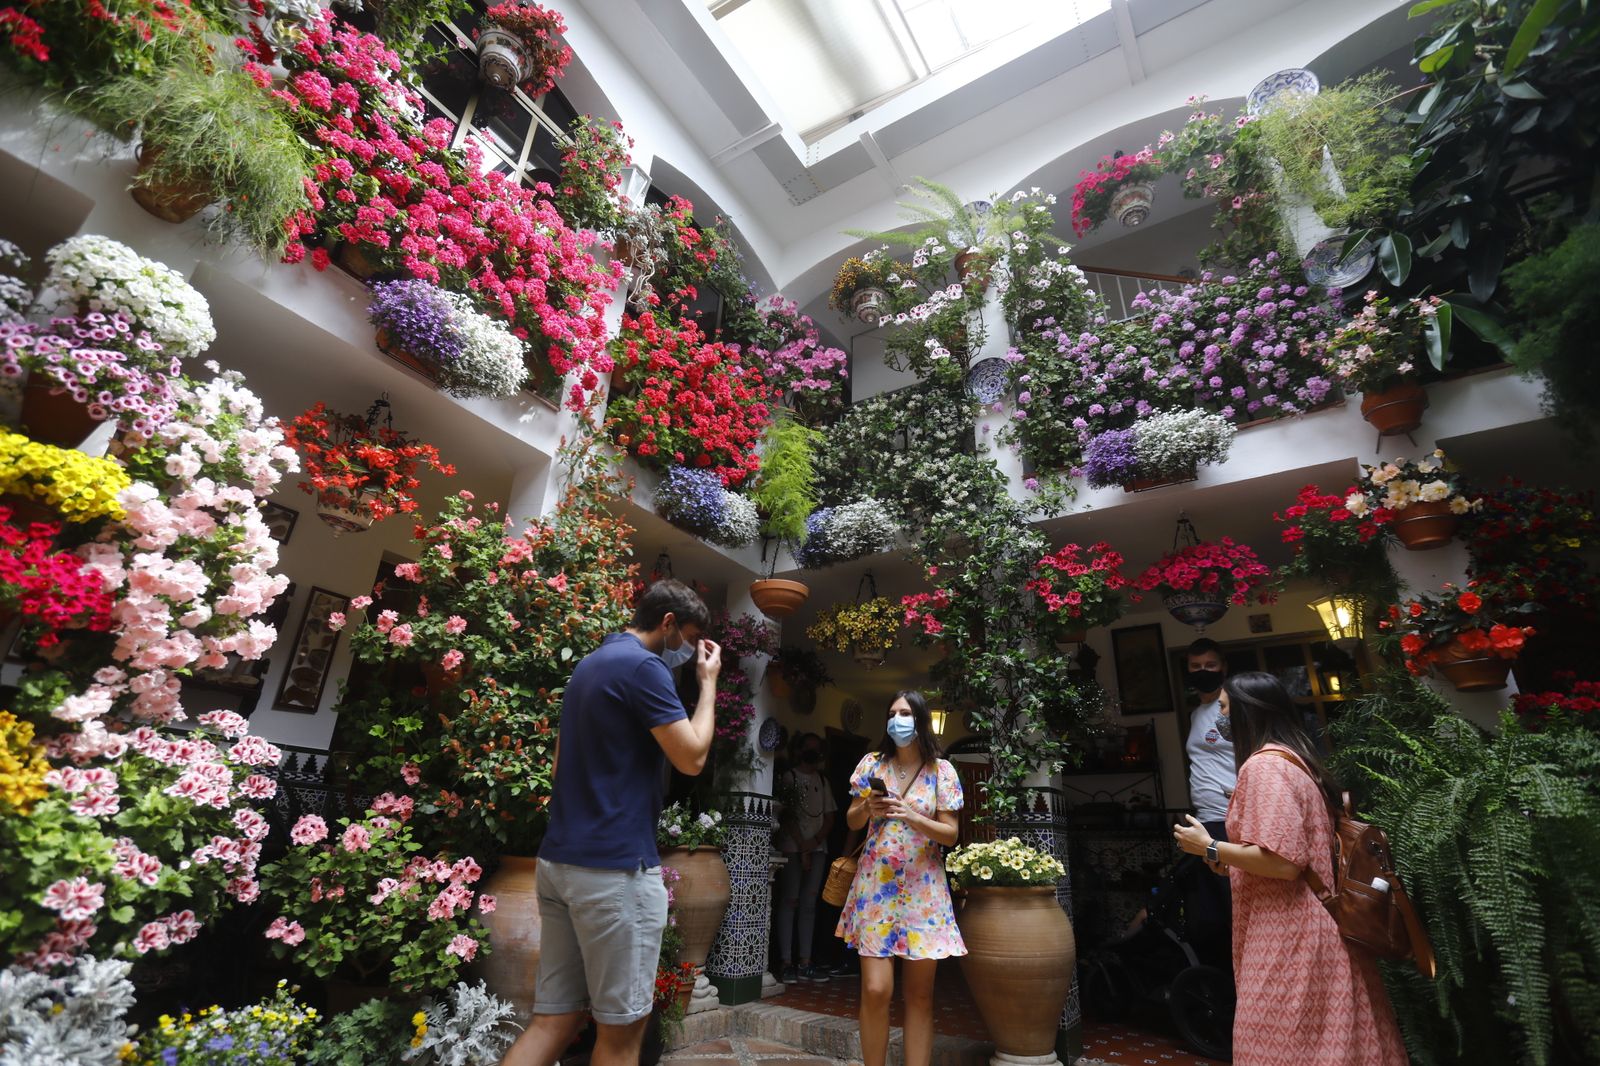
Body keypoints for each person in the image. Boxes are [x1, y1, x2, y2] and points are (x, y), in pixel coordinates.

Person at [500, 580, 721, 1066]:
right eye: (687, 637)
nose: (687, 650)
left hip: (558, 862)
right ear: (667, 624)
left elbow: (558, 770)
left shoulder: (590, 664)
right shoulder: (644, 667)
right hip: (614, 871)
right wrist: (708, 687)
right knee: (622, 1033)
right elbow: (692, 757)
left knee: (554, 1020)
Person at [1173, 672, 1407, 1066]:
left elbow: (1284, 863)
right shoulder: (1296, 761)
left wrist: (1209, 846)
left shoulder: (1264, 768)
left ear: (1250, 712)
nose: (1220, 719)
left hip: (1290, 932)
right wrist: (1226, 861)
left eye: (1226, 709)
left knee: (1284, 1045)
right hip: (1312, 925)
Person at [837, 691, 965, 1066]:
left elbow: (950, 834)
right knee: (876, 989)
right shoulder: (872, 764)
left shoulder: (942, 771)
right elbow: (852, 820)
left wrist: (911, 815)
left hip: (924, 892)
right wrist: (867, 805)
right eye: (892, 713)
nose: (897, 719)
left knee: (920, 996)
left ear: (921, 720)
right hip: (875, 888)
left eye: (906, 713)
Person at [1181, 637, 1233, 960]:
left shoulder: (1232, 708)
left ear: (1222, 667)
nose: (1203, 671)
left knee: (1233, 908)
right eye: (1196, 667)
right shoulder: (1196, 714)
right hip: (1206, 821)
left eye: (1210, 666)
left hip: (1231, 820)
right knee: (1209, 916)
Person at [774, 731, 836, 984]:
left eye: (816, 749)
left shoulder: (822, 780)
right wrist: (802, 846)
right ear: (798, 750)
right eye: (808, 748)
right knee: (790, 900)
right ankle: (786, 961)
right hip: (792, 848)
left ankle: (806, 961)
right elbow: (786, 815)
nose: (812, 753)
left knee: (809, 904)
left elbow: (830, 816)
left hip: (817, 849)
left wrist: (814, 843)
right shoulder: (788, 778)